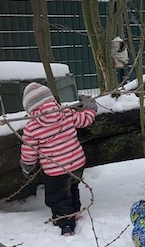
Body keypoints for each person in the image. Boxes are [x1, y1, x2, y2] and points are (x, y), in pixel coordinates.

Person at [19, 83, 97, 236]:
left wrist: (27, 165)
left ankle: (65, 224)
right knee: (72, 188)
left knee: (58, 196)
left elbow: (30, 151)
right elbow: (85, 119)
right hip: (77, 164)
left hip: (55, 170)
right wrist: (90, 107)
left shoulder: (32, 127)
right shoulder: (66, 113)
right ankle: (75, 211)